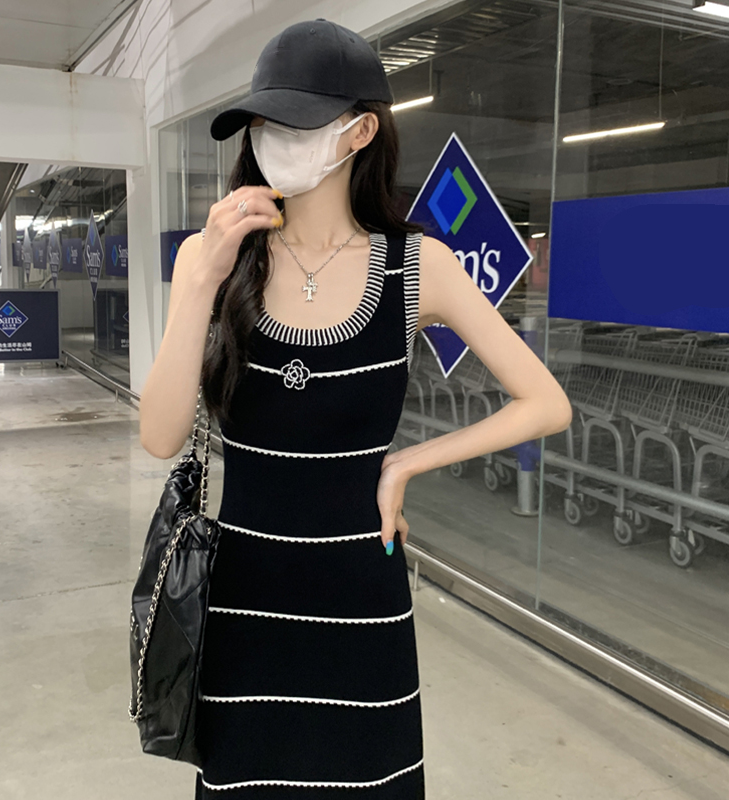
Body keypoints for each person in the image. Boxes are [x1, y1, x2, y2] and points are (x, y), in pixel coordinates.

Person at [139, 18, 572, 800]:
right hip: (243, 604)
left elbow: (545, 403)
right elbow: (160, 435)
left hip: (360, 605)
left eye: (295, 122)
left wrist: (408, 463)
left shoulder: (417, 266)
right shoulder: (210, 258)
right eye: (262, 123)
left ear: (361, 131)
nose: (272, 140)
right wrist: (202, 278)